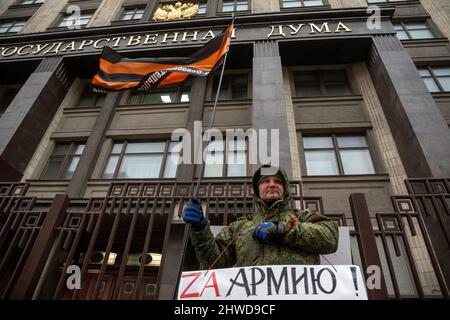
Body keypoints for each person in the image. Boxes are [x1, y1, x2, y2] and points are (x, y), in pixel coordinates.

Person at [182, 165, 338, 269]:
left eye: (277, 181)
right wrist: (200, 229)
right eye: (265, 181)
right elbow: (214, 262)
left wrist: (283, 230)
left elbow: (330, 237)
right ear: (257, 190)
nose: (271, 185)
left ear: (285, 189)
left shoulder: (303, 217)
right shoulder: (240, 226)